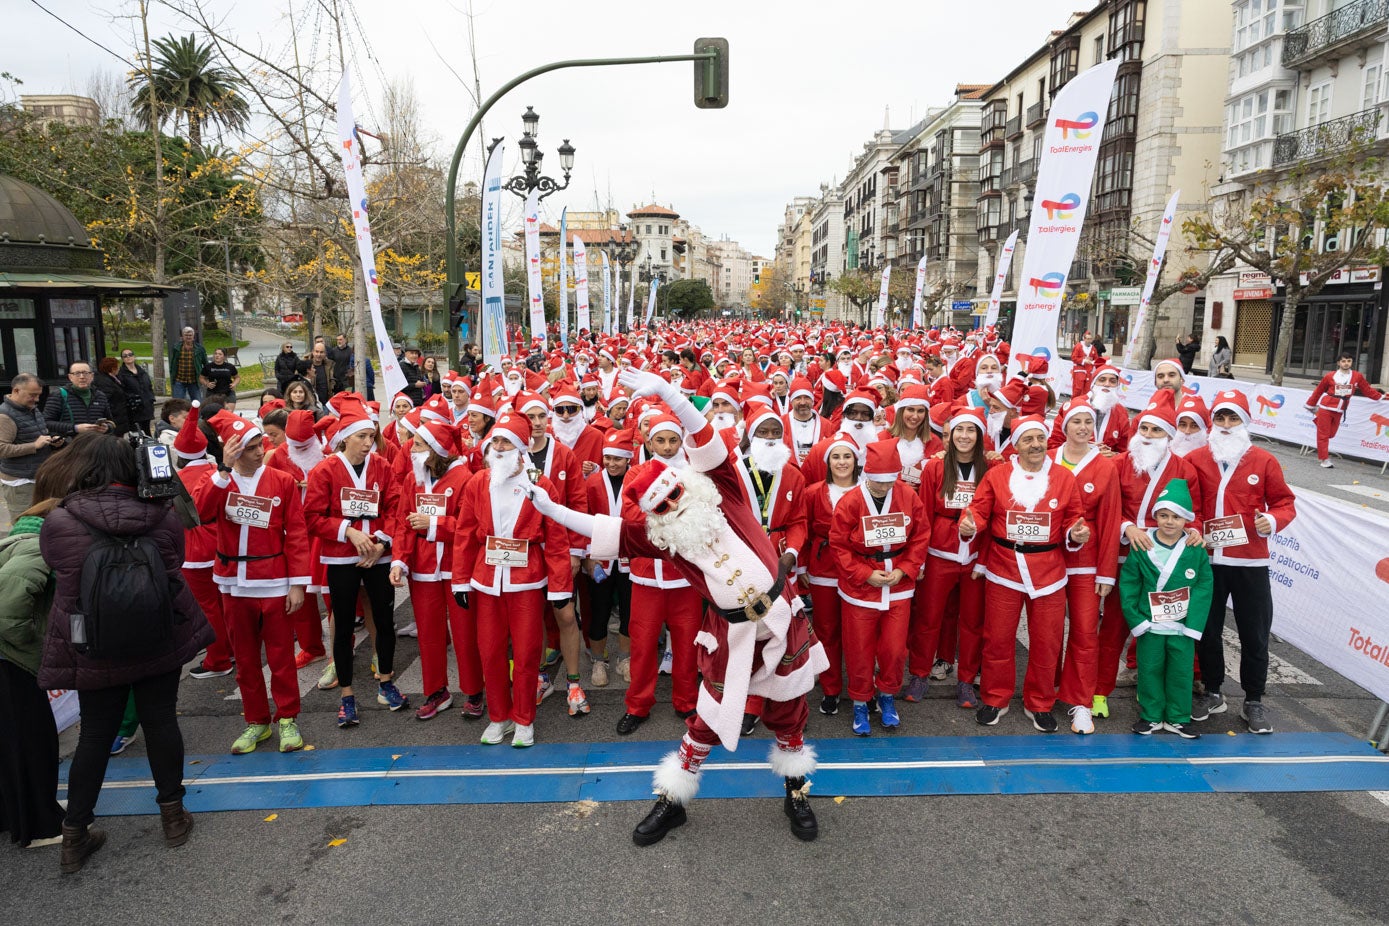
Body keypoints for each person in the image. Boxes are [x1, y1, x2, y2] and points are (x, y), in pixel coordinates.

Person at [524, 368, 828, 846]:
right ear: (654, 515)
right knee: (707, 720)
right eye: (661, 505)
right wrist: (551, 510)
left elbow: (705, 436)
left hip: (783, 622)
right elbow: (605, 530)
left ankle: (796, 790)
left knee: (790, 715)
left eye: (674, 491)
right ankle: (672, 800)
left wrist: (669, 392)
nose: (674, 504)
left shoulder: (722, 491)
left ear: (686, 481)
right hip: (731, 637)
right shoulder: (665, 540)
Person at [37, 432, 214, 872]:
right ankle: (173, 815)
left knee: (95, 734)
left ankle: (74, 834)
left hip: (92, 642)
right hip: (158, 633)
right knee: (161, 721)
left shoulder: (59, 520)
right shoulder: (162, 514)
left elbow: (60, 571)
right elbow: (176, 561)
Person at [959, 416, 1092, 733]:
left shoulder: (1062, 477)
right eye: (1027, 439)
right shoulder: (998, 475)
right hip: (1004, 567)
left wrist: (1076, 534)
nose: (1035, 445)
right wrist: (970, 525)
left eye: (1039, 438)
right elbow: (978, 510)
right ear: (1016, 445)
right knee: (998, 640)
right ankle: (995, 698)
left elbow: (1074, 517)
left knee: (1047, 642)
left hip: (1049, 572)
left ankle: (1040, 703)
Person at [450, 413, 573, 747]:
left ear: (521, 446)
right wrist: (460, 581)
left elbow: (556, 539)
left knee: (527, 652)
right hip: (486, 581)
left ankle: (523, 719)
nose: (499, 447)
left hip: (526, 582)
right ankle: (499, 716)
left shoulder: (540, 485)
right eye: (495, 441)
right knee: (489, 652)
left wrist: (560, 587)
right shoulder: (478, 482)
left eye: (506, 441)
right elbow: (464, 534)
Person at [194, 411, 312, 754]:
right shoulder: (220, 480)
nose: (261, 451)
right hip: (234, 583)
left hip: (274, 581)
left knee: (280, 657)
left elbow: (297, 534)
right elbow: (201, 512)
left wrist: (297, 584)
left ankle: (288, 717)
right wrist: (223, 470)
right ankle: (257, 721)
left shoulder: (281, 480)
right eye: (251, 448)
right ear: (232, 451)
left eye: (261, 444)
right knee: (245, 660)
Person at [1186, 390, 1297, 734]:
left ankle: (1254, 700)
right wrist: (1194, 528)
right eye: (1220, 418)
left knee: (1254, 634)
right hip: (1209, 560)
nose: (1226, 425)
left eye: (1233, 418)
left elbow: (1284, 502)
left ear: (1245, 422)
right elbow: (1189, 503)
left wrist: (1273, 520)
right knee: (1208, 630)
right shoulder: (1197, 458)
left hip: (1250, 562)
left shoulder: (1263, 460)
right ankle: (1214, 691)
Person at [304, 405, 406, 727]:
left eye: (371, 436)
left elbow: (395, 506)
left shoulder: (382, 466)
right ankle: (347, 695)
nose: (368, 443)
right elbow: (312, 517)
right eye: (362, 436)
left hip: (378, 554)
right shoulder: (325, 470)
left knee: (385, 620)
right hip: (341, 557)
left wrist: (379, 542)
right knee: (344, 624)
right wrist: (347, 530)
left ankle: (386, 682)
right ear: (345, 438)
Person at [831, 440, 929, 737]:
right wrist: (864, 573)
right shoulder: (850, 501)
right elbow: (838, 544)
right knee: (859, 649)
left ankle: (886, 696)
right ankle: (861, 700)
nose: (885, 486)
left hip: (898, 586)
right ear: (867, 474)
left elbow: (921, 536)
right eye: (879, 481)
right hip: (861, 589)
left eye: (890, 480)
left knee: (894, 649)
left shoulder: (908, 496)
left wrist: (905, 570)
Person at [389, 420, 482, 721]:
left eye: (417, 444)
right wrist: (399, 561)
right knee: (428, 634)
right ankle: (436, 691)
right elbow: (403, 522)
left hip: (457, 568)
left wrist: (434, 526)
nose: (410, 449)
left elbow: (473, 527)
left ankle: (474, 691)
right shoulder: (412, 480)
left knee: (466, 633)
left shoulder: (465, 478)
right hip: (424, 568)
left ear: (435, 450)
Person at [904, 408, 993, 708]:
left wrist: (984, 560)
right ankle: (919, 672)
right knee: (928, 617)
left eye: (971, 430)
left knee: (972, 621)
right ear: (951, 434)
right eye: (959, 430)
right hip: (940, 552)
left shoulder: (991, 469)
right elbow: (924, 514)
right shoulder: (935, 468)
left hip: (975, 556)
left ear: (980, 435)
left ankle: (966, 680)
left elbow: (995, 517)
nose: (965, 436)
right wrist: (921, 560)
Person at [0, 460, 66, 850]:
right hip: (11, 663)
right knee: (32, 743)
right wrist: (37, 650)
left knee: (10, 745)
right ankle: (41, 826)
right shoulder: (39, 548)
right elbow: (7, 612)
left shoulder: (17, 539)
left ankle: (12, 817)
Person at [1050, 399, 1122, 734]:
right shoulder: (1048, 458)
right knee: (1047, 632)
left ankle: (1081, 701)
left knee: (1084, 631)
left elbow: (1109, 521)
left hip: (1086, 564)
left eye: (1087, 422)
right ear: (1064, 425)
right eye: (1075, 421)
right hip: (1048, 560)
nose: (1082, 427)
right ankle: (1045, 693)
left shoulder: (1105, 466)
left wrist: (1107, 571)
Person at [1120, 478, 1212, 739]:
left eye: (1176, 517)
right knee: (1149, 670)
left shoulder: (1195, 548)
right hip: (1151, 624)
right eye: (1164, 515)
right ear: (1155, 516)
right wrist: (1138, 620)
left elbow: (1204, 587)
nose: (1170, 522)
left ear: (1187, 521)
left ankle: (1178, 717)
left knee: (1181, 672)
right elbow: (1129, 584)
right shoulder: (1142, 545)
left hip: (1182, 626)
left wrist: (1193, 625)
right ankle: (1150, 715)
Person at [802, 434, 863, 715]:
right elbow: (802, 530)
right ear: (828, 463)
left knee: (860, 633)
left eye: (847, 456)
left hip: (860, 569)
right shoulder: (814, 492)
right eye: (836, 457)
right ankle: (831, 688)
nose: (841, 462)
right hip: (823, 568)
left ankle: (863, 688)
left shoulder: (867, 490)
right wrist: (802, 567)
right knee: (827, 631)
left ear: (856, 460)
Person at [581, 429, 635, 690]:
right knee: (599, 610)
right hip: (600, 558)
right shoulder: (591, 483)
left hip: (628, 558)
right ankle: (598, 660)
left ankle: (625, 659)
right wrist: (587, 557)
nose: (612, 463)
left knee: (628, 610)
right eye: (608, 458)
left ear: (628, 459)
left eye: (618, 459)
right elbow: (583, 521)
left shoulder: (636, 482)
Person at [1305, 351, 1384, 468]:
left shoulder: (1357, 376)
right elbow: (1318, 391)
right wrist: (1310, 404)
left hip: (1340, 409)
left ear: (1352, 362)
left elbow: (1367, 390)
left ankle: (1318, 420)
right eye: (1343, 361)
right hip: (1326, 407)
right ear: (1338, 363)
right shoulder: (1330, 376)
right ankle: (1324, 459)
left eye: (1349, 361)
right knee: (1323, 435)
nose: (1346, 363)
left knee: (1331, 434)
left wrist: (1383, 396)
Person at [0, 374, 59, 523]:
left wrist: (52, 441)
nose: (37, 399)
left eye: (38, 395)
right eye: (32, 395)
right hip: (20, 483)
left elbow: (38, 435)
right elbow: (2, 449)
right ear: (16, 391)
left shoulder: (31, 408)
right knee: (24, 525)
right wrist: (34, 445)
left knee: (41, 523)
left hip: (36, 477)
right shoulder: (5, 416)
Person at [43, 362, 113, 439]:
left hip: (96, 445)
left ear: (92, 376)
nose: (82, 377)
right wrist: (75, 428)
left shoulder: (100, 396)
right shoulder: (59, 395)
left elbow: (110, 421)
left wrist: (107, 428)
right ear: (70, 377)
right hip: (71, 446)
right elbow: (47, 422)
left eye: (85, 373)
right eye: (77, 373)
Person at [117, 350, 156, 436]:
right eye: (125, 356)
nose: (128, 357)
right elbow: (121, 390)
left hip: (146, 407)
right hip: (134, 409)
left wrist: (151, 398)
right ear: (122, 359)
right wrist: (132, 399)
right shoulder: (121, 374)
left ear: (134, 357)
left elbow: (149, 386)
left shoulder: (142, 371)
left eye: (130, 355)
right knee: (137, 434)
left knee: (147, 432)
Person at [93, 357, 133, 435]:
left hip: (119, 417)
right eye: (117, 367)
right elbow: (106, 400)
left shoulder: (113, 379)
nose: (119, 369)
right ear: (112, 368)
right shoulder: (105, 382)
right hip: (115, 418)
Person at [170, 327, 207, 401]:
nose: (188, 337)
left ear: (193, 337)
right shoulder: (176, 348)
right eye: (186, 335)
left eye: (190, 335)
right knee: (177, 403)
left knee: (197, 403)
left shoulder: (199, 349)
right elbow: (173, 363)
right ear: (182, 337)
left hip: (194, 380)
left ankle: (197, 413)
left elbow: (205, 363)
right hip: (179, 380)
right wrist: (172, 375)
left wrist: (205, 377)